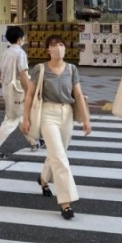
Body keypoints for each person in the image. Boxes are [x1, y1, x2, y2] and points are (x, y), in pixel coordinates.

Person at [22, 34, 92, 220]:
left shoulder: (72, 69)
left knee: (58, 153)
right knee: (60, 159)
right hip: (48, 114)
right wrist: (25, 118)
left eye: (61, 44)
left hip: (67, 114)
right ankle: (65, 203)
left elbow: (78, 94)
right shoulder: (40, 69)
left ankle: (44, 179)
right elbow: (29, 95)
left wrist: (86, 119)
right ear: (48, 50)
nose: (58, 47)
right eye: (54, 45)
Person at [0, 25, 42, 160]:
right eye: (23, 37)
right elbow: (23, 74)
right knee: (11, 119)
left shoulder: (6, 52)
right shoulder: (20, 53)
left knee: (19, 116)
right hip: (17, 90)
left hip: (7, 89)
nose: (24, 39)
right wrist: (29, 91)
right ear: (19, 39)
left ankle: (34, 142)